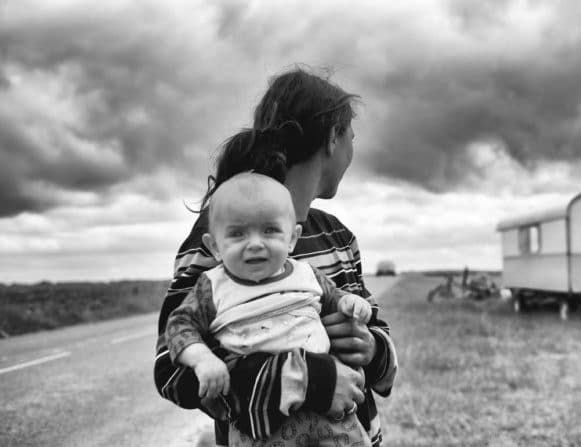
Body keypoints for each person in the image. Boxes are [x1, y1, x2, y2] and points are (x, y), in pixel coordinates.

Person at [153, 66, 398, 447]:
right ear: (333, 139)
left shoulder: (338, 237)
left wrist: (370, 346)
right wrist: (309, 379)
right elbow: (171, 369)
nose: (255, 243)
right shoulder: (219, 236)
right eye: (352, 137)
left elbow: (378, 339)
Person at [165, 172, 373, 446]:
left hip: (330, 412)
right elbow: (178, 326)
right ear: (214, 246)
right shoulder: (212, 287)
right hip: (261, 424)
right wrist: (203, 359)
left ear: (292, 238)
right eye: (237, 233)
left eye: (270, 230)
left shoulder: (307, 274)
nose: (255, 243)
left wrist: (351, 303)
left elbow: (335, 298)